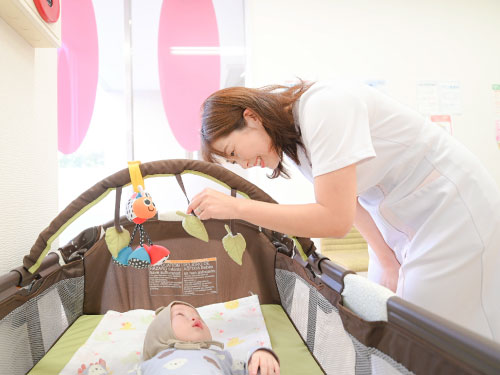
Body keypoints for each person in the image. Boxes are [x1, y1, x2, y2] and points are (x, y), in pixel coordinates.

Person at [186, 79, 500, 342]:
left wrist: (239, 208)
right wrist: (386, 259)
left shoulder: (323, 109)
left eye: (233, 152)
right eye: (232, 162)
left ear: (251, 117)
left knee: (426, 328)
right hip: (407, 218)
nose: (243, 164)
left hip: (453, 207)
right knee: (383, 316)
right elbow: (352, 202)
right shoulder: (298, 141)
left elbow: (334, 219)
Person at [138, 301, 280, 375]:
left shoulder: (219, 356)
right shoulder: (152, 363)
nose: (195, 317)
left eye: (199, 317)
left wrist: (260, 354)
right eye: (180, 315)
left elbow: (248, 370)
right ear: (160, 331)